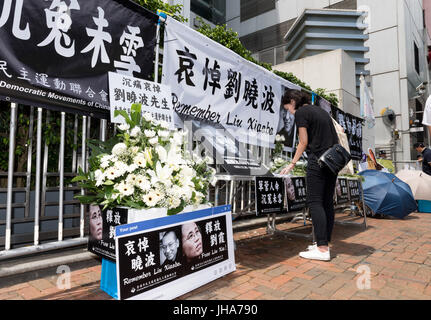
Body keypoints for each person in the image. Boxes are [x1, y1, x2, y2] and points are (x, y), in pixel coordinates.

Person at [280, 89, 338, 261]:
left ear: (292, 102)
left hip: (318, 161)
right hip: (332, 161)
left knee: (315, 201)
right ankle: (324, 243)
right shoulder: (321, 111)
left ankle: (321, 249)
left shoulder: (302, 113)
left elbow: (303, 141)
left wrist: (292, 163)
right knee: (327, 202)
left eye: (288, 109)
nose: (290, 113)